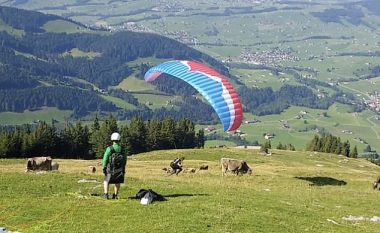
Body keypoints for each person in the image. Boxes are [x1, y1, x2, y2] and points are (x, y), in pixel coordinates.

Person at [102, 132, 127, 200]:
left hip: (110, 169)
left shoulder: (109, 148)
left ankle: (106, 194)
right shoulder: (122, 149)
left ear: (112, 139)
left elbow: (105, 159)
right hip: (119, 169)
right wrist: (123, 168)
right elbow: (125, 159)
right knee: (117, 182)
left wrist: (104, 167)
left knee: (106, 181)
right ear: (119, 139)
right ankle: (115, 195)